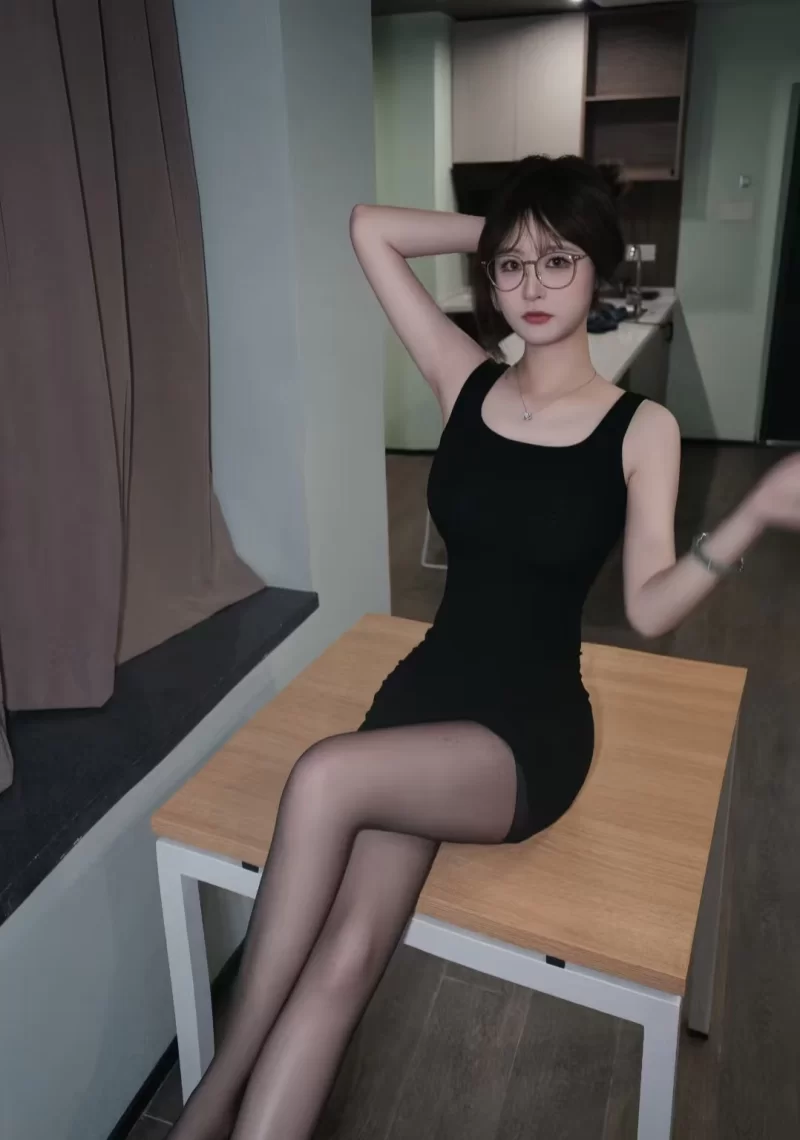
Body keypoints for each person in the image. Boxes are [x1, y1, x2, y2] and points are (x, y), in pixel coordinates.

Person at [169, 154, 800, 1140]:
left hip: (527, 731)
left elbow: (647, 609)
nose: (532, 284)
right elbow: (369, 229)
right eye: (512, 266)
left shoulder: (642, 429)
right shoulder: (464, 379)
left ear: (598, 265)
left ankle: (211, 1098)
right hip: (426, 690)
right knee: (345, 955)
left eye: (559, 262)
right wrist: (511, 227)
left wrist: (752, 515)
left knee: (324, 778)